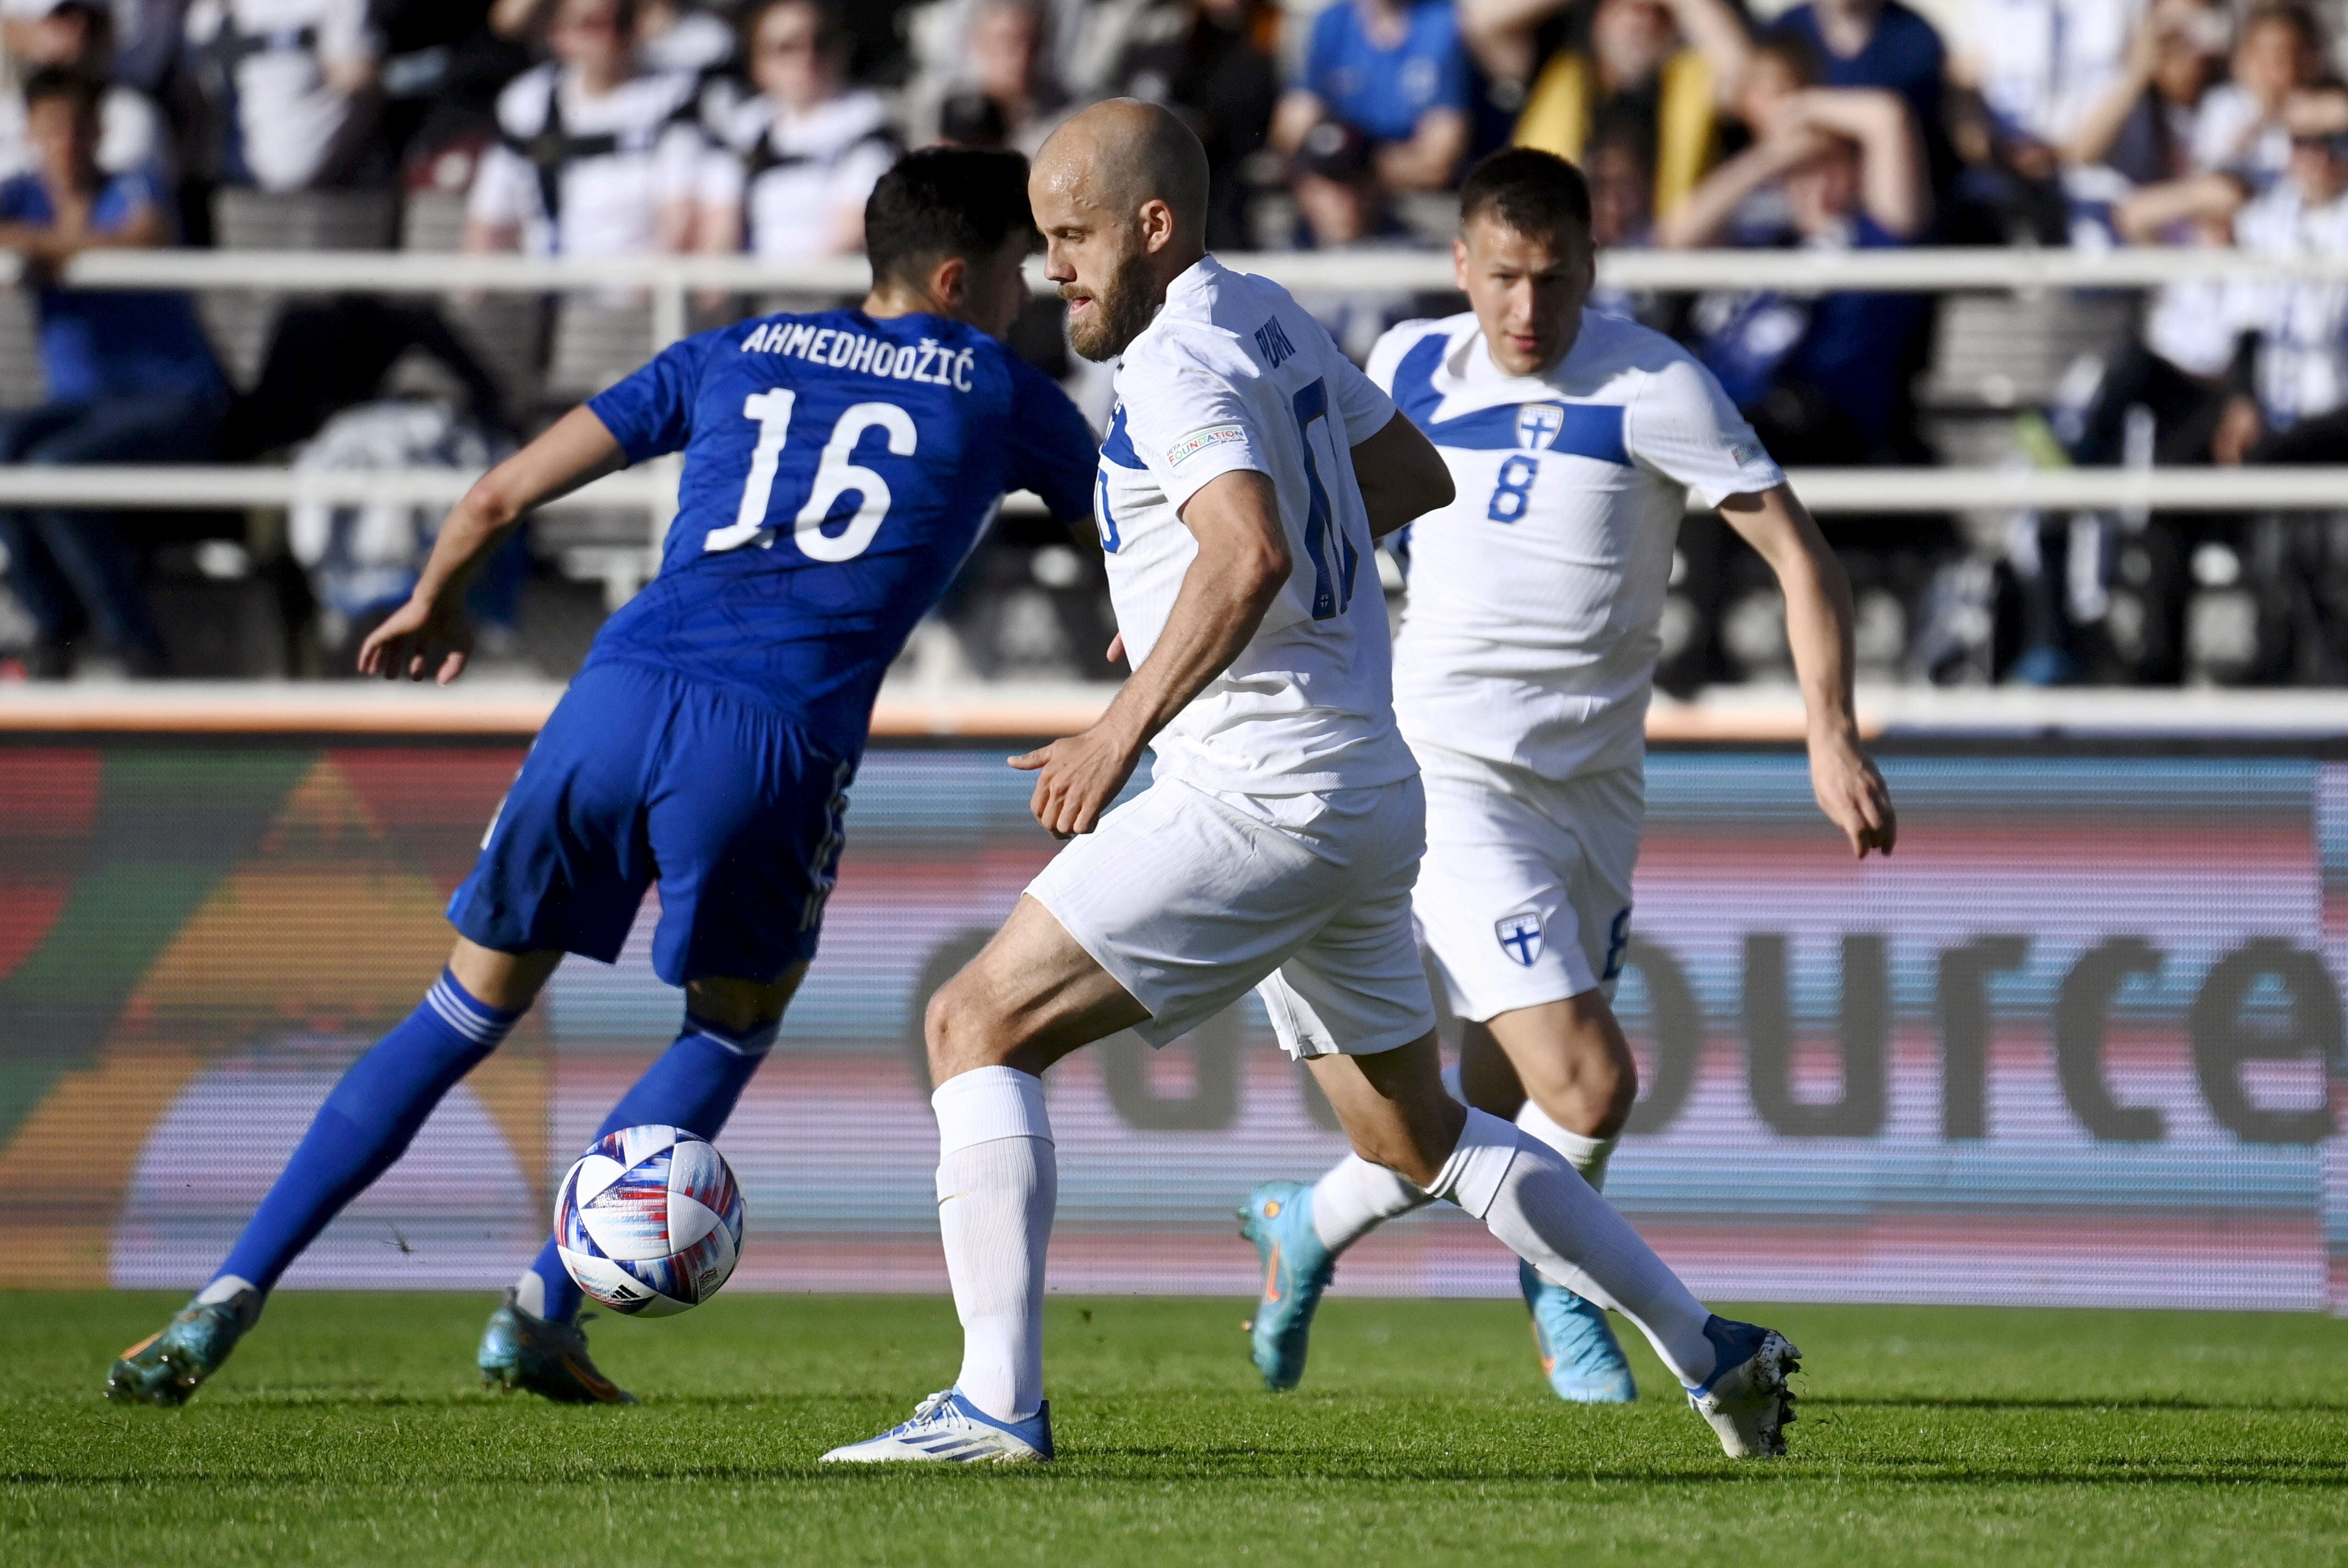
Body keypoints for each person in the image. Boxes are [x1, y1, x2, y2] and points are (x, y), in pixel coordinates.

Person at [819, 99, 1805, 1467]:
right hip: (1364, 789)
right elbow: (1407, 473)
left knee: (972, 1027)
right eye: (1045, 244)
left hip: (1258, 789)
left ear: (1153, 226)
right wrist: (1188, 592)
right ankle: (1719, 1353)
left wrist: (1124, 722)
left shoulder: (1169, 361)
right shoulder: (1266, 313)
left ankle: (995, 1407)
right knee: (1423, 1141)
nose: (1057, 270)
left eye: (1075, 237)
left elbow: (1250, 557)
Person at [103, 146, 1103, 1407]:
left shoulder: (740, 347)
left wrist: (432, 600)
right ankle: (539, 1307)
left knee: (458, 1013)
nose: (1030, 294)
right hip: (771, 737)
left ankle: (218, 1300)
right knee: (734, 1020)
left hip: (614, 699)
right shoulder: (1008, 392)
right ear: (961, 278)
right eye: (1019, 269)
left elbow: (500, 487)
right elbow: (1126, 542)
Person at [1235, 145, 1894, 1405]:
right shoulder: (1410, 364)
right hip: (1443, 770)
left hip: (1588, 796)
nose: (1527, 310)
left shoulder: (1657, 384)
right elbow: (1326, 524)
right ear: (1460, 267)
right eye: (1502, 278)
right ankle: (1570, 1301)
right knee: (1587, 1080)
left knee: (1477, 1115)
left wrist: (1830, 730)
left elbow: (1802, 559)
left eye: (1553, 279)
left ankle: (1305, 1225)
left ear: (1593, 267)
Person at [0, 67, 229, 678]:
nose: (65, 142)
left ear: (99, 131)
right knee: (6, 450)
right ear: (31, 133)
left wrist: (38, 248)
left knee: (52, 472)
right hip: (83, 405)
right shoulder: (21, 194)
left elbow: (143, 238)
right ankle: (53, 626)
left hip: (174, 400)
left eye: (77, 128)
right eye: (51, 128)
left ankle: (133, 642)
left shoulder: (135, 185)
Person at [1662, 84, 1931, 466]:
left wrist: (1798, 109)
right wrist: (1771, 155)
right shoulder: (1764, 243)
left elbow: (1888, 117)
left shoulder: (1876, 239)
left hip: (1818, 434)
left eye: (1830, 168)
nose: (1817, 185)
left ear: (1857, 174)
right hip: (1722, 429)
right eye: (1802, 171)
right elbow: (1675, 238)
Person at [1467, 0, 1753, 223]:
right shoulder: (1554, 68)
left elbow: (1743, 75)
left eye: (1658, 13)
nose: (1642, 20)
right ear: (1597, 18)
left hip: (1667, 269)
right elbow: (1482, 22)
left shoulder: (1693, 79)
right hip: (1557, 257)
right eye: (1625, 7)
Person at [463, 0, 704, 260]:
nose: (611, 36)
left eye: (622, 22)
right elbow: (488, 221)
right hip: (554, 288)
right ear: (559, 35)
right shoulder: (528, 103)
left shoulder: (674, 98)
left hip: (639, 292)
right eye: (593, 25)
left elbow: (679, 217)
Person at [699, 0, 897, 263]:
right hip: (755, 292)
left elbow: (851, 235)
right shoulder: (744, 130)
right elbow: (719, 227)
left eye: (821, 43)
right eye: (787, 48)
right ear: (759, 63)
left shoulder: (867, 123)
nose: (807, 58)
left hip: (831, 293)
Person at [1273, 0, 1474, 194]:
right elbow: (1293, 126)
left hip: (1399, 189)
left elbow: (1438, 161)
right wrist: (1320, 171)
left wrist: (1363, 169)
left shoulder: (1443, 23)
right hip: (1335, 170)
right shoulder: (1333, 22)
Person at [183, 0, 383, 191]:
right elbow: (191, 92)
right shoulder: (211, 13)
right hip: (227, 194)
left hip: (325, 191)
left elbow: (358, 78)